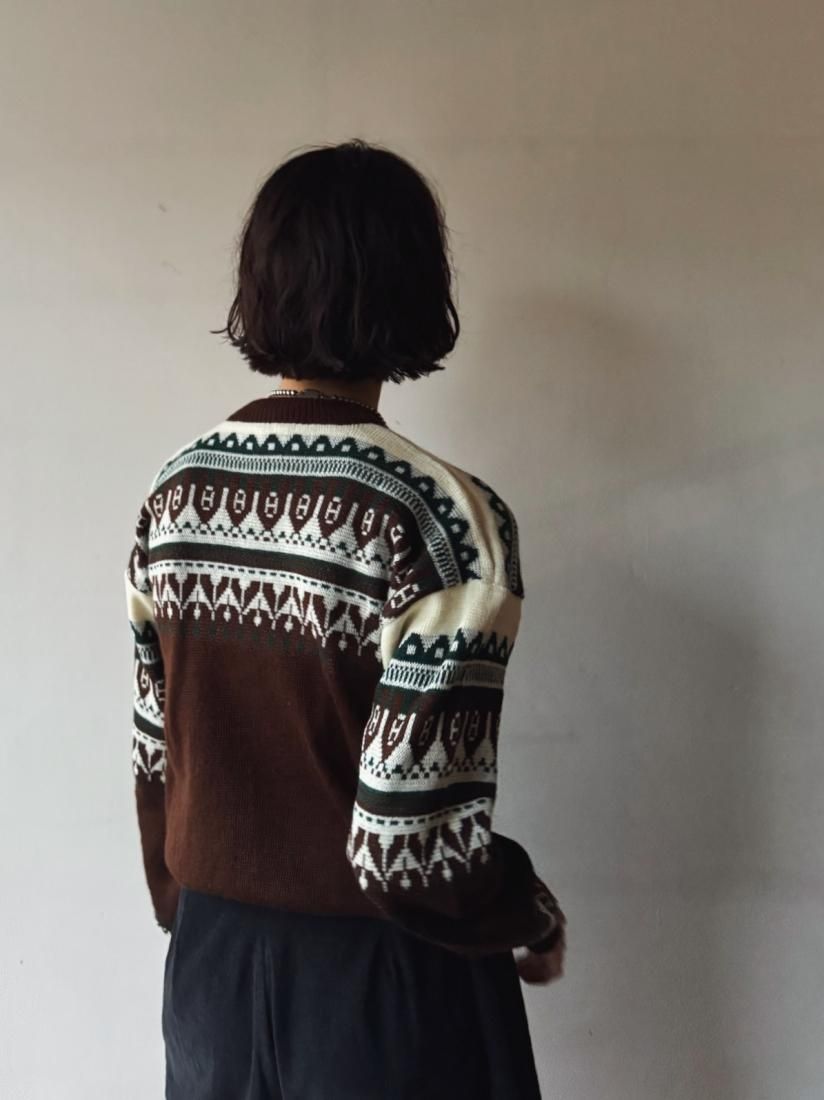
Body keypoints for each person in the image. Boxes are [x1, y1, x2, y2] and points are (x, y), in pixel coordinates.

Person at [123, 138, 567, 1100]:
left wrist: (188, 907)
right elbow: (408, 847)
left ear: (260, 284)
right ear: (414, 285)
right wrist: (525, 910)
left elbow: (156, 750)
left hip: (208, 971)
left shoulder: (176, 491)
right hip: (379, 987)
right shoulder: (441, 521)